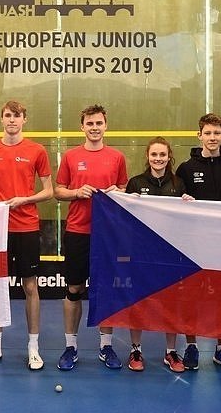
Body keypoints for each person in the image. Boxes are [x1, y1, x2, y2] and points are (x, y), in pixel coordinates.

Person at [0, 101, 53, 370]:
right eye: (8, 115)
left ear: (24, 120)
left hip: (27, 226)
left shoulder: (37, 150)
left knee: (30, 287)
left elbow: (49, 191)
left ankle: (33, 347)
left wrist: (25, 199)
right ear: (1, 119)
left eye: (16, 116)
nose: (12, 120)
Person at [55, 104, 128, 371]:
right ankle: (70, 347)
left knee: (106, 289)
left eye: (98, 123)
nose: (94, 128)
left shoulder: (117, 157)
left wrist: (116, 192)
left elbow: (124, 188)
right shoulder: (71, 156)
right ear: (82, 127)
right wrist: (76, 192)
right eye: (90, 123)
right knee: (73, 289)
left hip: (108, 234)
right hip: (78, 232)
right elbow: (58, 191)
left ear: (105, 126)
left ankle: (106, 346)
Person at [175, 112, 221, 372]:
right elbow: (177, 205)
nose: (212, 137)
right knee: (191, 296)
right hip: (194, 244)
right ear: (199, 135)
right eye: (208, 133)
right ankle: (191, 346)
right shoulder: (186, 169)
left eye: (217, 133)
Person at [124, 137, 194, 373]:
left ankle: (171, 351)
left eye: (162, 154)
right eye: (154, 154)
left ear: (169, 156)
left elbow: (186, 219)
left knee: (171, 302)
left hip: (170, 252)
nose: (158, 158)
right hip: (142, 252)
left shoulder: (179, 183)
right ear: (147, 156)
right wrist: (128, 202)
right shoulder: (135, 183)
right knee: (138, 301)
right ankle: (136, 349)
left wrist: (188, 204)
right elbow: (125, 218)